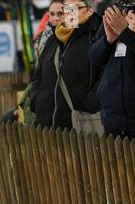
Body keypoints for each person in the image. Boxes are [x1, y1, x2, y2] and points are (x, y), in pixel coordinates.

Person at [30, 0, 103, 130]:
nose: (68, 12)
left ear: (90, 11)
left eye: (74, 8)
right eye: (66, 8)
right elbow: (37, 75)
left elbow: (105, 74)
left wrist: (89, 102)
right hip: (45, 124)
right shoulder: (53, 39)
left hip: (78, 124)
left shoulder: (97, 36)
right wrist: (36, 99)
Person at [90, 0, 135, 142]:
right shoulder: (114, 12)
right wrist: (108, 40)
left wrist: (125, 32)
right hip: (112, 115)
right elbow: (93, 58)